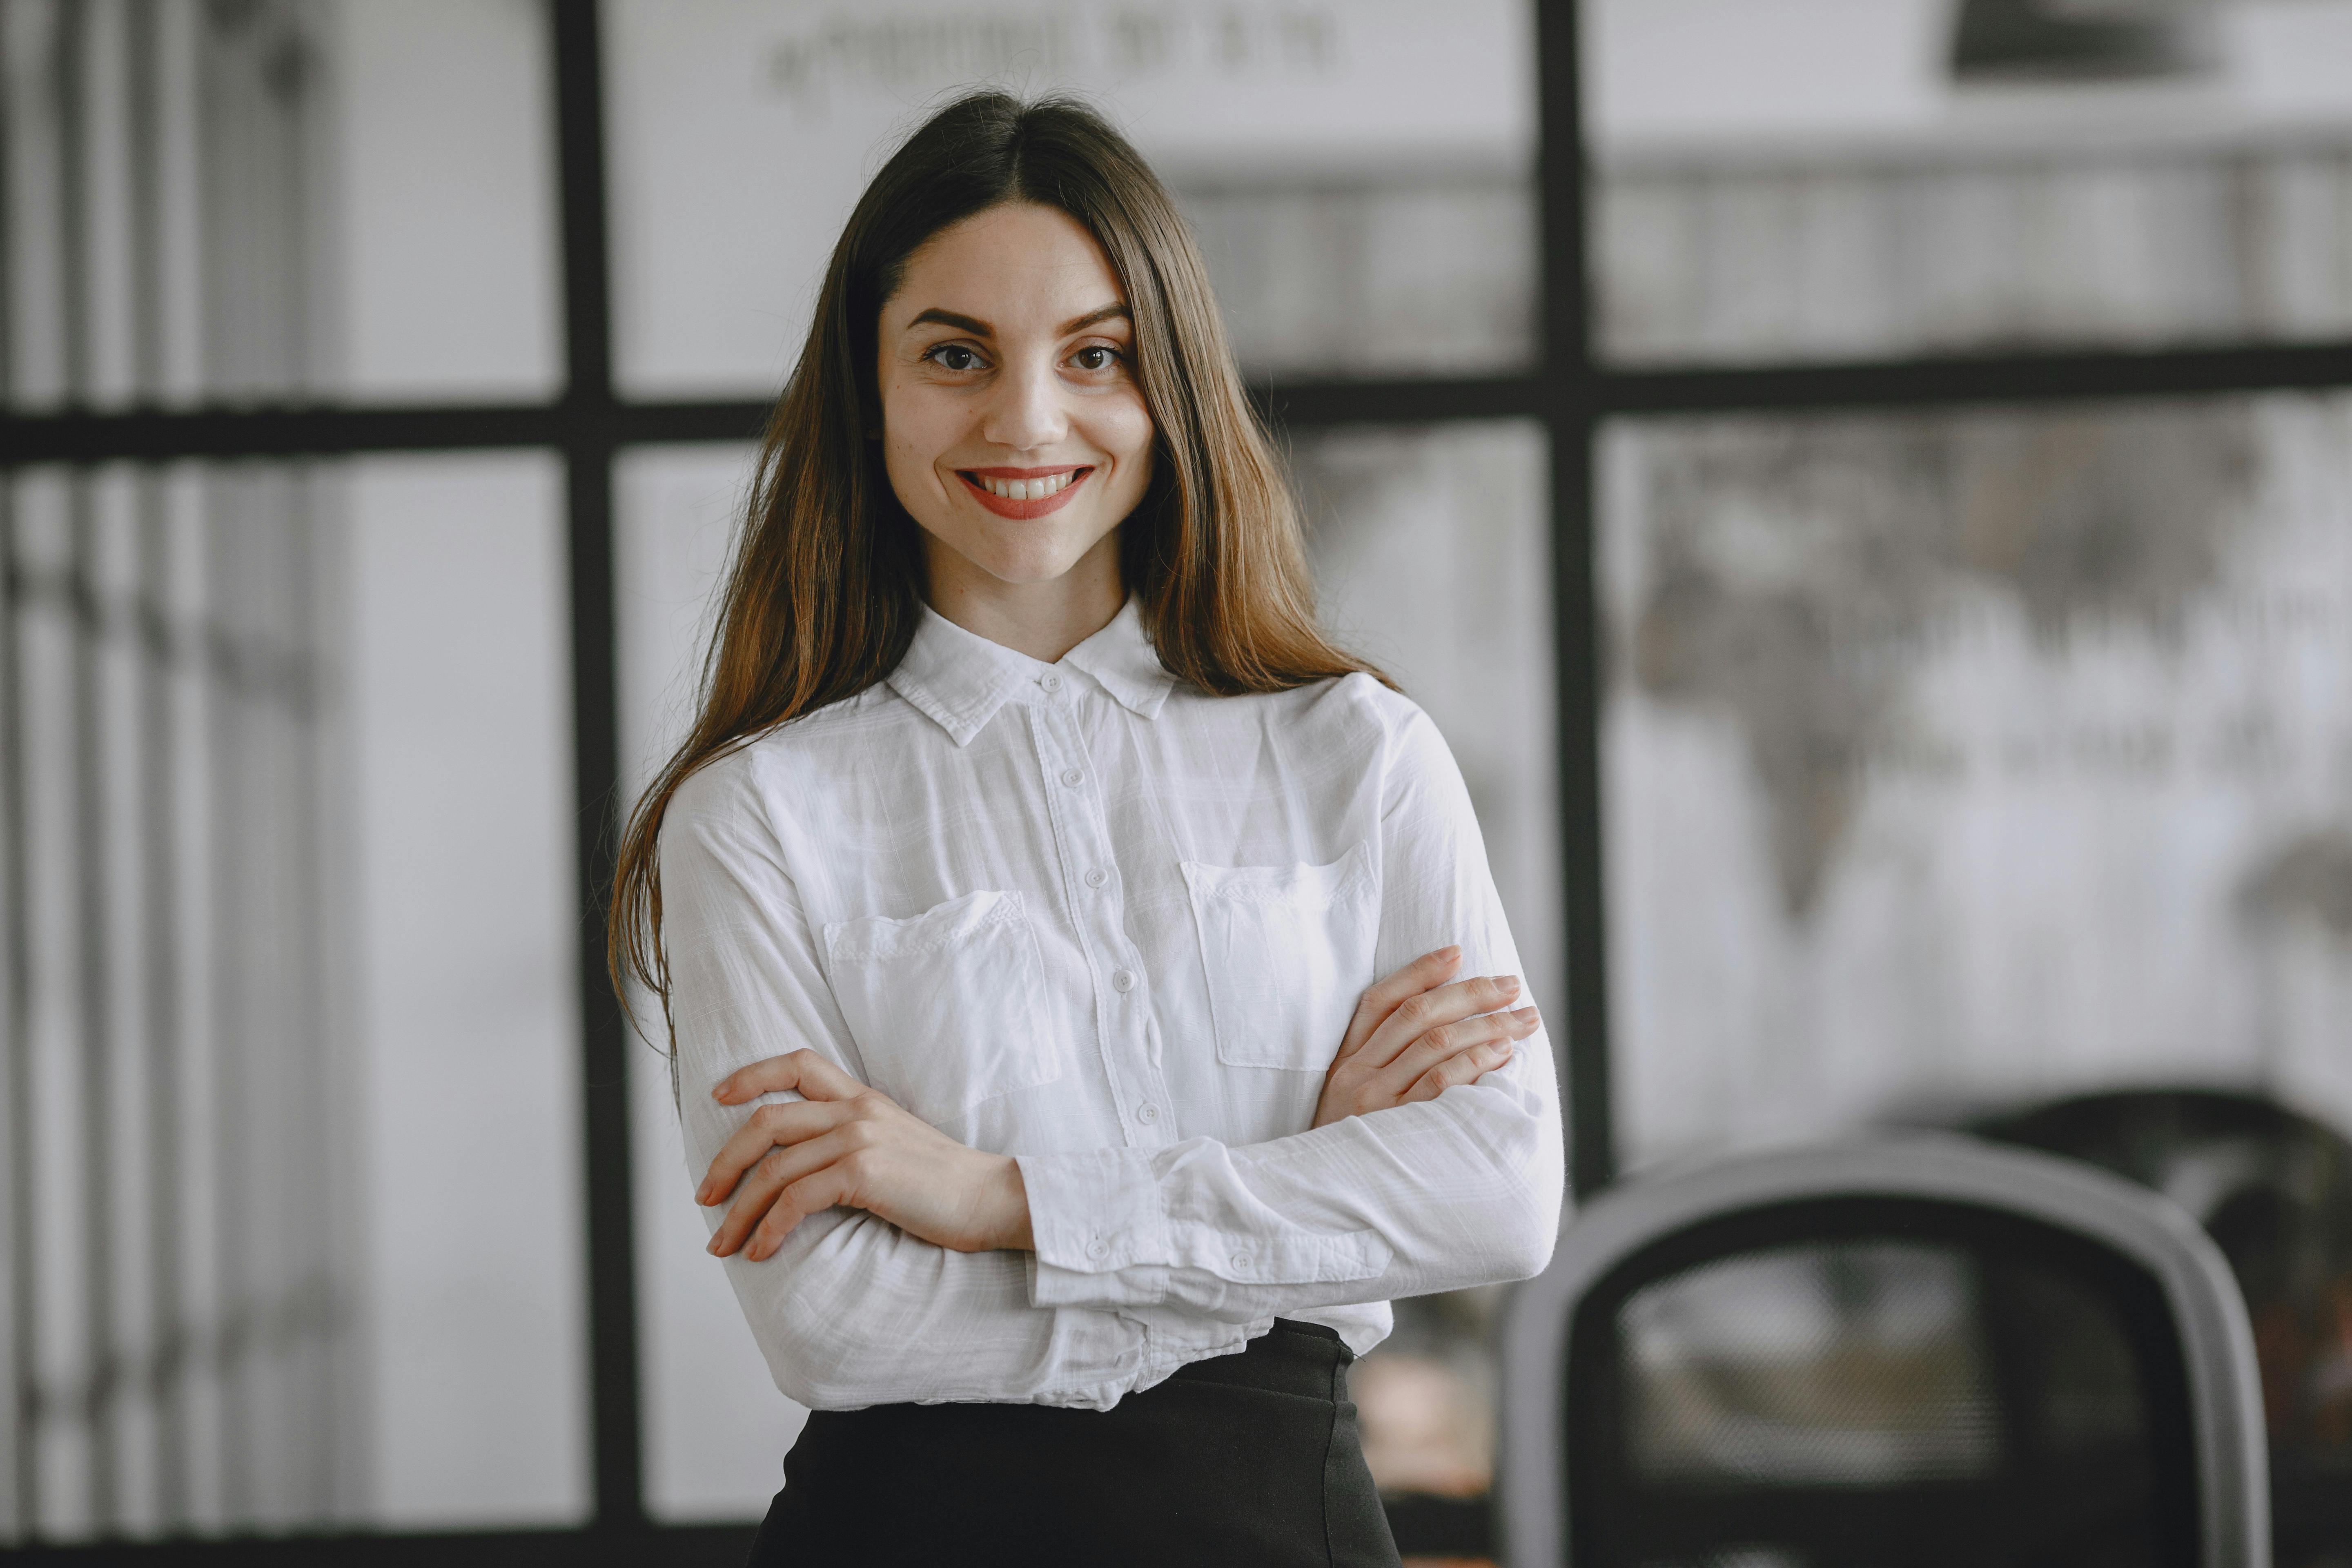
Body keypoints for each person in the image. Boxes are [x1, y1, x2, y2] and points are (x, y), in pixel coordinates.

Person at [609, 91, 1564, 1567]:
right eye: (953, 355)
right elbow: (836, 1327)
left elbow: (1498, 1198)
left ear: (1168, 382)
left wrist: (993, 1200)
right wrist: (1307, 1210)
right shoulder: (756, 816)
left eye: (1097, 355)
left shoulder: (1356, 755)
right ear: (867, 388)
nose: (1026, 420)